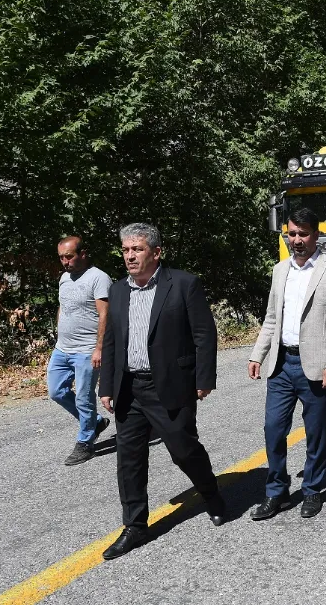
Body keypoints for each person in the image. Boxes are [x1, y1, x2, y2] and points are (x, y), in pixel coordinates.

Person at [98, 223, 225, 560]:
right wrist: (106, 385)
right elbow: (111, 341)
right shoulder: (118, 290)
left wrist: (204, 378)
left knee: (183, 450)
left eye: (136, 249)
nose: (129, 256)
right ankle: (135, 525)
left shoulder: (183, 284)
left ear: (156, 252)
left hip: (169, 384)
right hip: (128, 388)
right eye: (126, 250)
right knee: (129, 459)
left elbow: (204, 334)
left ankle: (210, 492)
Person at [248, 208, 326, 520]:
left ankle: (312, 489)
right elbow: (271, 318)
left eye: (303, 234)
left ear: (316, 235)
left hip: (316, 366)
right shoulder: (280, 270)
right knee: (273, 429)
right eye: (292, 234)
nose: (297, 239)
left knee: (315, 432)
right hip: (281, 364)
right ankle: (276, 491)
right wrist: (257, 354)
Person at [48, 236, 112, 466]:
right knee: (56, 391)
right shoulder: (64, 278)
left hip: (86, 350)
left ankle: (85, 443)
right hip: (62, 348)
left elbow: (105, 314)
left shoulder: (98, 278)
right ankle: (95, 422)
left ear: (83, 254)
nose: (65, 262)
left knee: (84, 398)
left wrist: (99, 348)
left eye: (69, 256)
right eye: (61, 258)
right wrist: (59, 335)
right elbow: (63, 307)